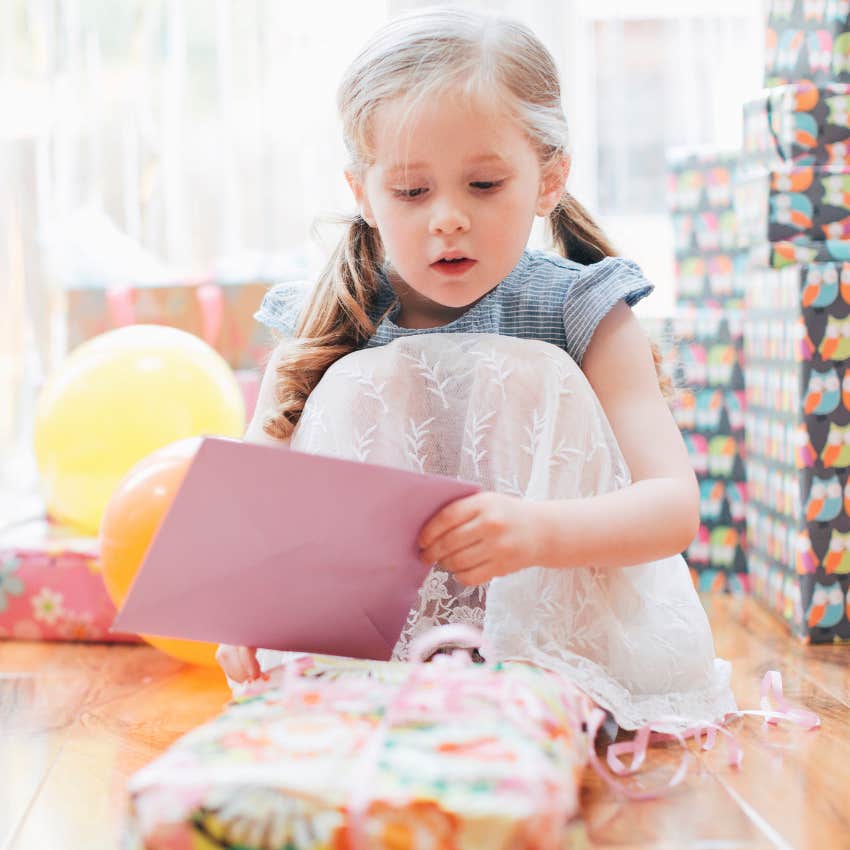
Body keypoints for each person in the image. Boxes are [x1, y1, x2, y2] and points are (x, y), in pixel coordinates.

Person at [216, 6, 736, 732]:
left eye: (484, 184)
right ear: (363, 194)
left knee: (530, 373)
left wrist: (537, 531)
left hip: (556, 645)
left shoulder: (584, 310)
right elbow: (258, 502)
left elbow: (672, 507)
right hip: (368, 660)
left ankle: (523, 695)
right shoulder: (328, 315)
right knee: (365, 380)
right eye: (412, 192)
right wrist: (240, 608)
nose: (448, 218)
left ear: (549, 178)